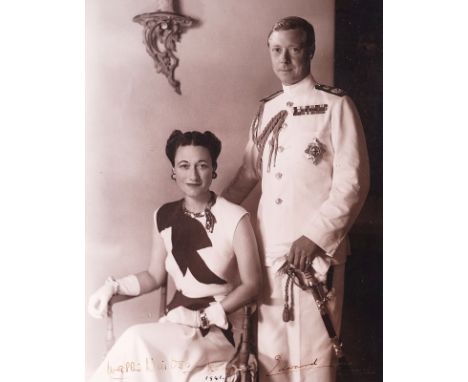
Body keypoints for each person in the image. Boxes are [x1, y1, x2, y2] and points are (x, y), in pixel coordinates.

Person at [222, 16, 370, 382]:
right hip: (268, 252)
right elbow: (249, 174)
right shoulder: (267, 109)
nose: (284, 59)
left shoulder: (335, 105)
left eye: (294, 49)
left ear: (310, 51)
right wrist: (213, 212)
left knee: (312, 360)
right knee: (272, 359)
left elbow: (353, 184)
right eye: (276, 50)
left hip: (314, 254)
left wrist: (314, 236)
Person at [88, 130, 262, 382]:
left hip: (216, 329)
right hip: (175, 322)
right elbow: (153, 275)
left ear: (214, 169)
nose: (193, 175)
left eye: (202, 165)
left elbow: (253, 284)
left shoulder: (235, 217)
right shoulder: (163, 215)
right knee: (139, 347)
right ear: (173, 170)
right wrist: (114, 287)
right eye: (184, 165)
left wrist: (205, 316)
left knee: (136, 340)